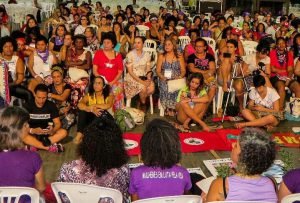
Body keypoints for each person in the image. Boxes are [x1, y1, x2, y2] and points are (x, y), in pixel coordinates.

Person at [57, 113, 130, 202]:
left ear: (86, 144)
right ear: (117, 146)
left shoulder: (67, 169)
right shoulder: (122, 171)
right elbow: (125, 196)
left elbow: (62, 197)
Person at [206, 128, 277, 202]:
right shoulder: (271, 182)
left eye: (236, 145)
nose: (233, 145)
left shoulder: (220, 185)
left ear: (243, 157)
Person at [129, 119, 192, 201]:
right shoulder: (183, 173)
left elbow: (135, 201)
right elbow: (184, 197)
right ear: (175, 147)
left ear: (145, 147)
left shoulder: (136, 174)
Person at [0, 106, 46, 193]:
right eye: (26, 124)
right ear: (16, 131)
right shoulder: (33, 157)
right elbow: (41, 187)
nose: (28, 126)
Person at [25, 84, 67, 152]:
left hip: (47, 134)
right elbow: (21, 126)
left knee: (63, 132)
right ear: (34, 94)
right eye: (39, 97)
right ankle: (47, 146)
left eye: (44, 98)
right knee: (20, 133)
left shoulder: (51, 105)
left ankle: (35, 145)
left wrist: (53, 130)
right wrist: (32, 130)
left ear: (47, 96)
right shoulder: (28, 105)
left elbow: (57, 123)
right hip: (33, 133)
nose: (41, 101)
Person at [74, 76, 114, 144]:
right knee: (83, 111)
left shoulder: (109, 95)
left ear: (104, 86)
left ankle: (90, 135)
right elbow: (79, 105)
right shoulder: (89, 95)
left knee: (100, 111)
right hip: (93, 120)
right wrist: (91, 109)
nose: (96, 85)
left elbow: (107, 105)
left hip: (106, 120)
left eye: (99, 83)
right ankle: (79, 134)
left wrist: (93, 106)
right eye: (95, 83)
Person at [234, 44, 272, 111]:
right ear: (257, 51)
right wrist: (250, 72)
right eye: (263, 53)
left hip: (260, 79)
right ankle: (241, 105)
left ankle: (268, 106)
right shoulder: (250, 57)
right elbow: (242, 73)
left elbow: (268, 75)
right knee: (238, 86)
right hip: (248, 77)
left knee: (266, 82)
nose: (264, 56)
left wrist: (263, 74)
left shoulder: (267, 59)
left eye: (266, 54)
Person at [93, 31, 124, 111]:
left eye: (108, 42)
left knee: (117, 89)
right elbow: (94, 71)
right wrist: (102, 81)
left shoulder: (118, 55)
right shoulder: (98, 53)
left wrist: (112, 82)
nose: (105, 44)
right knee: (100, 88)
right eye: (104, 42)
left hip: (114, 81)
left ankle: (117, 112)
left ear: (113, 44)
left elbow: (120, 71)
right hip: (100, 80)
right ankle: (101, 112)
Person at [124, 36, 155, 111]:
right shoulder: (130, 55)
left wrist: (148, 79)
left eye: (139, 43)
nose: (136, 45)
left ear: (143, 44)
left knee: (152, 88)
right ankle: (143, 104)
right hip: (132, 77)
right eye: (135, 43)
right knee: (143, 87)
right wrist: (142, 82)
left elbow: (148, 69)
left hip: (143, 76)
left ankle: (139, 100)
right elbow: (130, 72)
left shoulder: (147, 55)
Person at [156, 38, 186, 116]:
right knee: (165, 86)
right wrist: (162, 77)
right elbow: (158, 71)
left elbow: (183, 71)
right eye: (165, 44)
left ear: (173, 46)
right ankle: (168, 108)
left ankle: (175, 108)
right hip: (165, 79)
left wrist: (179, 76)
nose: (167, 46)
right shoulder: (161, 56)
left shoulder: (179, 56)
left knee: (178, 87)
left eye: (169, 44)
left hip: (177, 78)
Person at [0, 36, 33, 103]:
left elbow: (20, 79)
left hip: (12, 85)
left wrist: (9, 85)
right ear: (2, 48)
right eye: (6, 46)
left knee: (28, 94)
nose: (8, 49)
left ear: (14, 47)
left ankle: (30, 113)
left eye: (10, 46)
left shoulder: (17, 60)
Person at [65, 34, 92, 109]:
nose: (79, 44)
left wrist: (74, 65)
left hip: (82, 76)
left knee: (78, 88)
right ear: (74, 43)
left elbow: (88, 66)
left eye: (81, 42)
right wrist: (80, 63)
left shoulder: (87, 53)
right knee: (68, 87)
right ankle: (69, 108)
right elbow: (66, 63)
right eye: (77, 42)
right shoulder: (70, 51)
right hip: (70, 75)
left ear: (84, 43)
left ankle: (77, 108)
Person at [187, 38, 216, 104]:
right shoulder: (191, 57)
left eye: (200, 46)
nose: (198, 48)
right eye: (196, 46)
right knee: (198, 82)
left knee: (213, 87)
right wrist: (205, 72)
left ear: (205, 47)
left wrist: (206, 74)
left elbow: (212, 69)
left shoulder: (209, 56)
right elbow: (192, 69)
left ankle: (205, 107)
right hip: (195, 77)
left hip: (208, 76)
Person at [270, 37, 294, 110]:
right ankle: (279, 111)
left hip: (287, 77)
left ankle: (295, 109)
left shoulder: (289, 54)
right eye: (279, 43)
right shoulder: (272, 53)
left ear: (285, 44)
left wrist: (288, 78)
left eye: (283, 43)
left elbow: (290, 69)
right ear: (276, 45)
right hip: (275, 77)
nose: (281, 45)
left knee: (297, 87)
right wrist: (285, 71)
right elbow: (273, 69)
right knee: (281, 86)